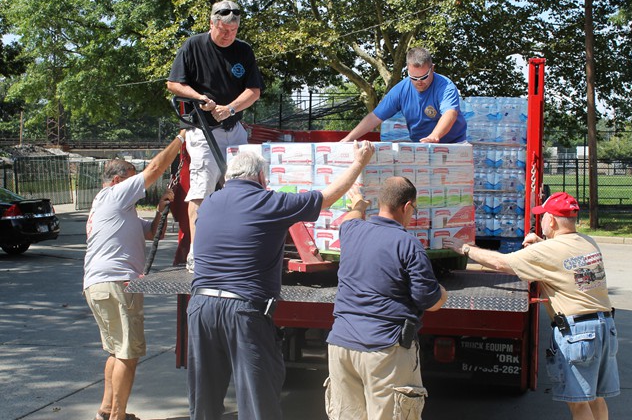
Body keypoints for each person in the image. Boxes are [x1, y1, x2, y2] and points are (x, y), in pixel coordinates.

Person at [187, 141, 375, 420]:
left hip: (200, 307)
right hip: (243, 311)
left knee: (203, 402)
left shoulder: (210, 202)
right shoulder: (269, 202)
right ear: (261, 177)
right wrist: (359, 163)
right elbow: (326, 198)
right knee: (257, 401)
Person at [444, 192, 619, 420]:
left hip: (578, 334)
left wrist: (465, 248)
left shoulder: (547, 251)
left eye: (543, 216)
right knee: (596, 398)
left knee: (578, 404)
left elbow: (501, 263)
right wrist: (541, 243)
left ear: (552, 220)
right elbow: (564, 257)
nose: (541, 221)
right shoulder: (587, 242)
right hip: (605, 327)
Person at [83, 130, 186, 420]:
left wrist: (160, 210)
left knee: (116, 350)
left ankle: (107, 410)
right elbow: (154, 168)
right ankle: (118, 416)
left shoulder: (114, 208)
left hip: (99, 284)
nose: (138, 181)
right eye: (132, 175)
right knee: (129, 354)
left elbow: (153, 233)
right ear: (118, 181)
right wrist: (181, 139)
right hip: (117, 284)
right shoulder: (114, 196)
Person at [325, 177, 448, 419]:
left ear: (381, 202)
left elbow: (351, 218)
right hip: (384, 351)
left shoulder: (351, 231)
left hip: (341, 346)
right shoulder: (408, 244)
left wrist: (359, 205)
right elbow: (429, 301)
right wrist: (442, 293)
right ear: (407, 206)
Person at [167, 0, 264, 268]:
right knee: (202, 189)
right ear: (212, 23)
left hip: (235, 130)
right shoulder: (193, 46)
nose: (228, 35)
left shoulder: (243, 50)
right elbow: (174, 83)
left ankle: (240, 250)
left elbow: (254, 91)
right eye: (223, 30)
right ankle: (197, 256)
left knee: (246, 188)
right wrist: (200, 98)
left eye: (233, 31)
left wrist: (230, 108)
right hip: (202, 131)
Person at [342, 47, 467, 144]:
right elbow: (375, 117)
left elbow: (450, 113)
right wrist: (348, 138)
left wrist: (434, 136)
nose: (419, 81)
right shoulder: (401, 90)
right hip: (421, 145)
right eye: (414, 77)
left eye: (424, 77)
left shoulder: (445, 86)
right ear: (407, 70)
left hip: (453, 144)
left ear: (432, 69)